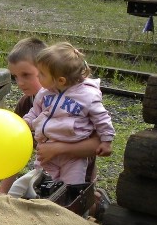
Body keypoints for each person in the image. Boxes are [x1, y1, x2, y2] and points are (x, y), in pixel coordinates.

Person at [0, 38, 103, 194]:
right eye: (15, 76)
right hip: (47, 175)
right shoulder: (26, 104)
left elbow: (98, 146)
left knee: (65, 211)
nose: (19, 82)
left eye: (26, 75)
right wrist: (1, 194)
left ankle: (96, 201)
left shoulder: (79, 101)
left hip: (77, 179)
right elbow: (16, 151)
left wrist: (59, 149)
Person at [21, 42, 114, 189]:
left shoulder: (87, 96)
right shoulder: (45, 93)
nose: (38, 76)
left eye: (42, 74)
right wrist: (26, 122)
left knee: (71, 189)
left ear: (60, 80)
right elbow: (35, 112)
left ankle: (69, 210)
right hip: (47, 149)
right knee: (42, 186)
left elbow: (102, 119)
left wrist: (106, 141)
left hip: (73, 157)